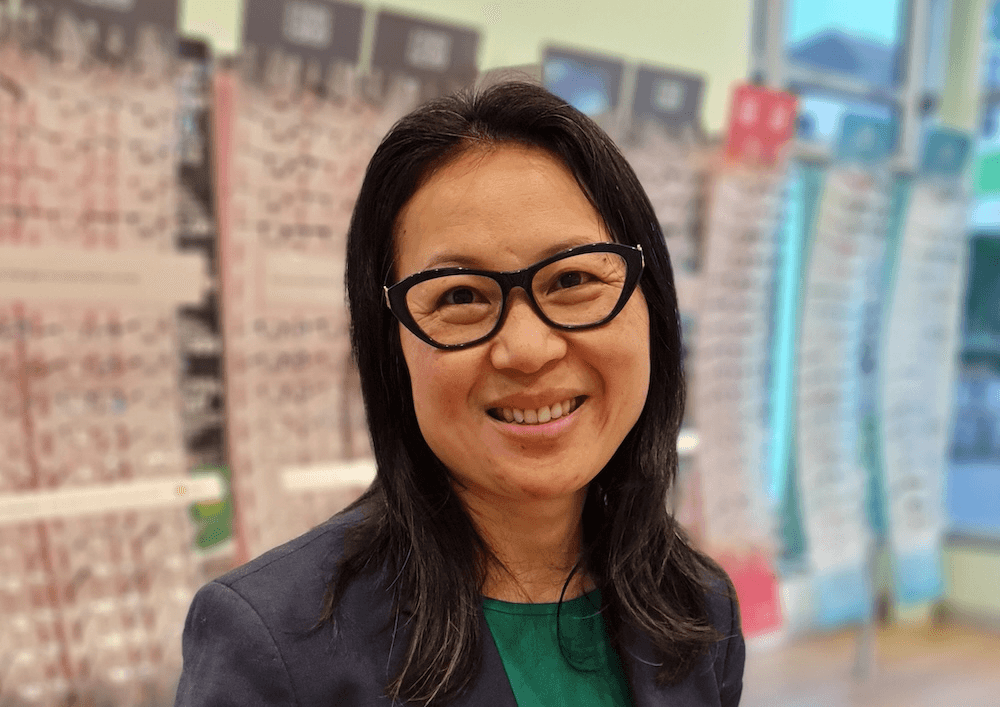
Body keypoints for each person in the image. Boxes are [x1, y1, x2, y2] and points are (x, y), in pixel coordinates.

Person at [174, 80, 744, 707]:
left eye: (574, 278)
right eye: (461, 296)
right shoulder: (275, 645)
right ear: (393, 348)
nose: (527, 349)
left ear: (651, 303)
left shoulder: (696, 605)